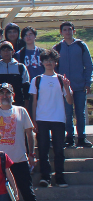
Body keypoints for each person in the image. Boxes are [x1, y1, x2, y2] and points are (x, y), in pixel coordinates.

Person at [29, 50, 74, 188]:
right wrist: (34, 120)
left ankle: (60, 177)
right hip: (42, 119)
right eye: (46, 60)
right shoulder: (37, 80)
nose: (49, 62)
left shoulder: (61, 79)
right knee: (42, 149)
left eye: (51, 60)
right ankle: (45, 177)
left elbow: (70, 101)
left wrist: (66, 87)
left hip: (58, 119)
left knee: (59, 149)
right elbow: (34, 102)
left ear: (56, 62)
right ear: (42, 62)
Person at [53, 21, 93, 147]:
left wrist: (88, 82)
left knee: (80, 112)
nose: (67, 32)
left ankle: (82, 137)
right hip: (64, 86)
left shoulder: (81, 45)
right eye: (64, 30)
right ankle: (69, 137)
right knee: (67, 112)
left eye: (70, 29)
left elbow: (88, 65)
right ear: (61, 32)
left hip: (80, 85)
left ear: (73, 31)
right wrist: (58, 83)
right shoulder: (57, 48)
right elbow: (53, 67)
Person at [0, 42, 30, 108]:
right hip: (0, 104)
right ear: (0, 52)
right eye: (3, 50)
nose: (6, 52)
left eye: (8, 50)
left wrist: (26, 105)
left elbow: (26, 87)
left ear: (13, 52)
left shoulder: (21, 67)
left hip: (18, 103)